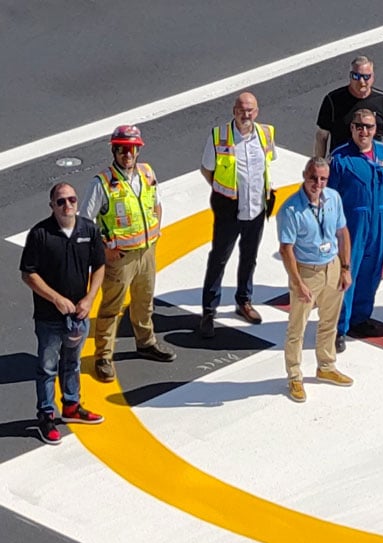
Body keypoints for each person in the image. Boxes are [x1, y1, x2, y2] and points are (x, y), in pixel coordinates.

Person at [80, 125, 176, 383]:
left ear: (138, 150)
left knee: (144, 301)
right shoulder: (101, 183)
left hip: (147, 252)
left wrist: (154, 237)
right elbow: (85, 223)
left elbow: (156, 204)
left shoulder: (147, 173)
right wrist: (104, 250)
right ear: (114, 150)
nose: (127, 154)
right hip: (119, 258)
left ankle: (146, 343)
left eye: (131, 149)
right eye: (122, 149)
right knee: (111, 307)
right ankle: (103, 356)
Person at [20, 183, 106, 445]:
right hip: (49, 317)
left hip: (78, 316)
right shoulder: (40, 234)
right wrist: (55, 298)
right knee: (47, 368)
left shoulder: (88, 230)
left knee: (73, 363)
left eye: (71, 200)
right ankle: (46, 415)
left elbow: (100, 266)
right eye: (60, 202)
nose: (67, 205)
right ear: (52, 206)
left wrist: (90, 299)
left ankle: (71, 406)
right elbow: (28, 273)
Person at [197, 92, 276, 338]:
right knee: (219, 258)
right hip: (229, 209)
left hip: (256, 207)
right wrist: (224, 192)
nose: (246, 114)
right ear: (234, 111)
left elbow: (267, 164)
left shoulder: (265, 134)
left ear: (257, 111)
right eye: (242, 110)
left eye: (250, 110)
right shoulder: (219, 136)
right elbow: (207, 170)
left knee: (249, 257)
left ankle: (244, 300)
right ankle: (209, 311)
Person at [327, 108, 383, 352]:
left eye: (369, 127)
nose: (364, 131)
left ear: (375, 130)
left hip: (379, 220)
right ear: (351, 128)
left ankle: (360, 318)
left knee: (371, 273)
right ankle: (338, 328)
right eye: (359, 126)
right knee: (346, 276)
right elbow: (329, 197)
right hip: (351, 224)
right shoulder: (340, 158)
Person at [277, 158, 353, 402]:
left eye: (322, 179)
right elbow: (286, 249)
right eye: (313, 178)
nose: (317, 184)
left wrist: (345, 268)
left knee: (329, 321)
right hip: (307, 271)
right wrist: (298, 283)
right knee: (297, 328)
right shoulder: (290, 209)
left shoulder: (334, 198)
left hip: (331, 267)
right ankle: (294, 376)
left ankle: (326, 366)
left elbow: (342, 232)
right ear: (304, 175)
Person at [315, 55, 383, 172]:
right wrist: (318, 168)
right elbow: (322, 136)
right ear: (350, 76)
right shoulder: (333, 100)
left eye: (366, 77)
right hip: (343, 166)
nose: (361, 81)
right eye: (356, 76)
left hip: (374, 166)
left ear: (373, 77)